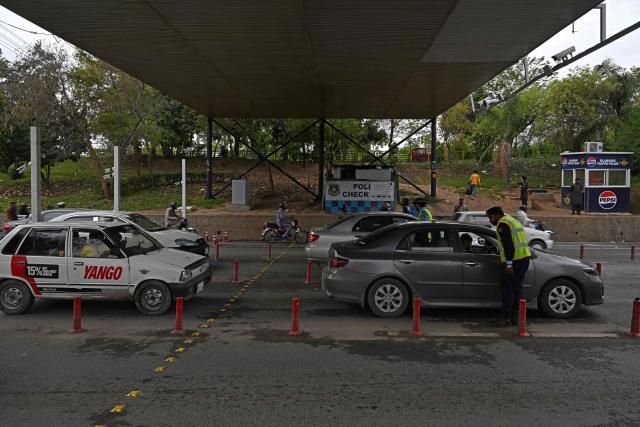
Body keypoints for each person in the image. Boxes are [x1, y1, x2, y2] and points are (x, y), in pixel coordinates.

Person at [486, 206, 531, 327]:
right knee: (517, 289)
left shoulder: (502, 224)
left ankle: (505, 318)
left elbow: (508, 245)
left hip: (514, 261)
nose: (490, 220)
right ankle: (515, 318)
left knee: (507, 289)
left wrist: (509, 263)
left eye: (491, 217)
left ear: (497, 215)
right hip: (524, 258)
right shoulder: (513, 221)